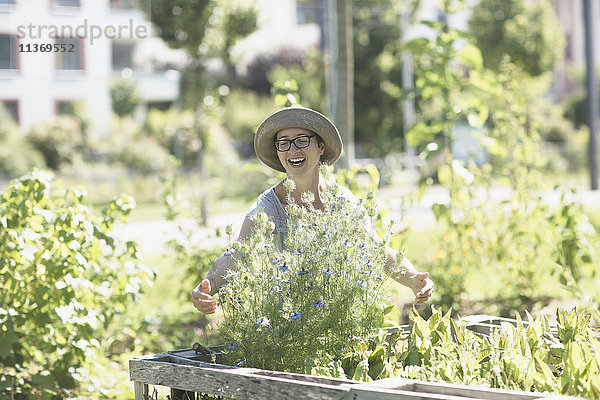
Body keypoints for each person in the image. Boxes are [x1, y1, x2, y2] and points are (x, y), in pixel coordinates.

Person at [191, 107, 434, 314]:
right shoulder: (269, 207)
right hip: (292, 324)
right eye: (283, 143)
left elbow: (378, 251)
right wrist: (208, 285)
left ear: (320, 147)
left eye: (301, 140)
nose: (292, 150)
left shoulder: (342, 201)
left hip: (343, 316)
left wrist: (414, 279)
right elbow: (236, 256)